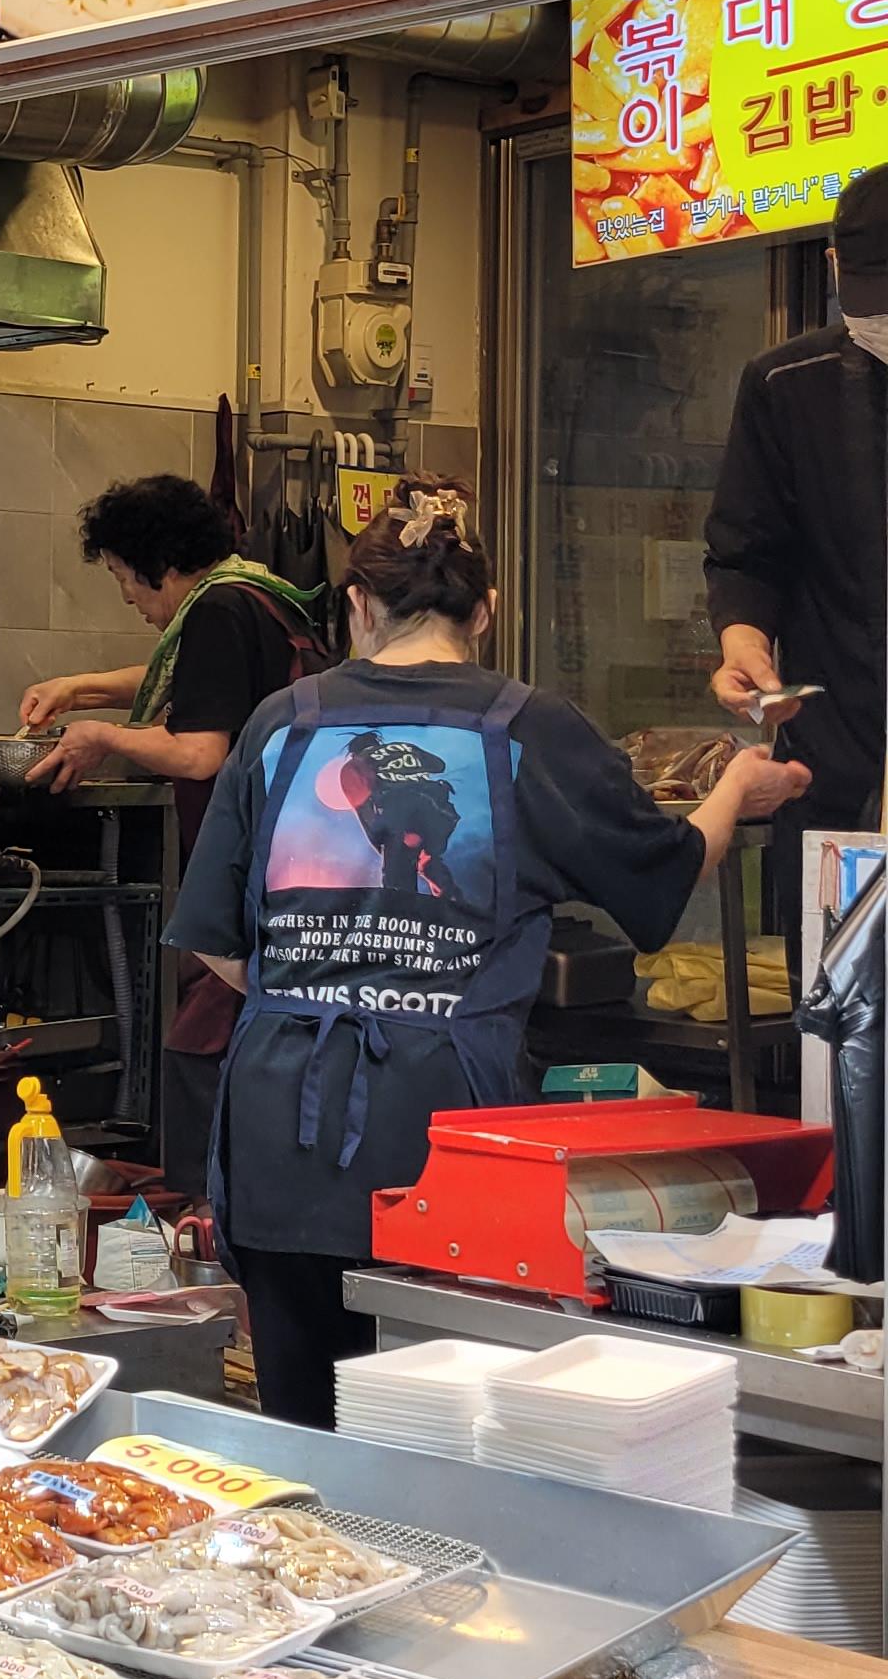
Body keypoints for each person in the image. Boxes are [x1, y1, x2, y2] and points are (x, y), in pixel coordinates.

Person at [168, 486, 808, 1427]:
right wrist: (736, 793)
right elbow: (662, 875)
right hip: (440, 1134)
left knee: (307, 1436)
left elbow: (221, 945)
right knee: (442, 1432)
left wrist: (328, 985)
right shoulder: (525, 726)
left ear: (357, 606)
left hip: (277, 1127)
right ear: (487, 611)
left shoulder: (281, 724)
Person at [19, 473, 328, 1194]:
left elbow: (199, 753)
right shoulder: (253, 594)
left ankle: (205, 1205)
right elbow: (193, 677)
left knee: (206, 1037)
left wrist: (100, 735)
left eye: (123, 577)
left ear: (157, 564)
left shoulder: (217, 608)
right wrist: (81, 687)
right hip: (298, 860)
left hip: (249, 869)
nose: (127, 597)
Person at [706, 161, 888, 907]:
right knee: (839, 982)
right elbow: (747, 553)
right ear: (836, 266)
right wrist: (743, 643)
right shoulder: (787, 385)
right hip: (835, 775)